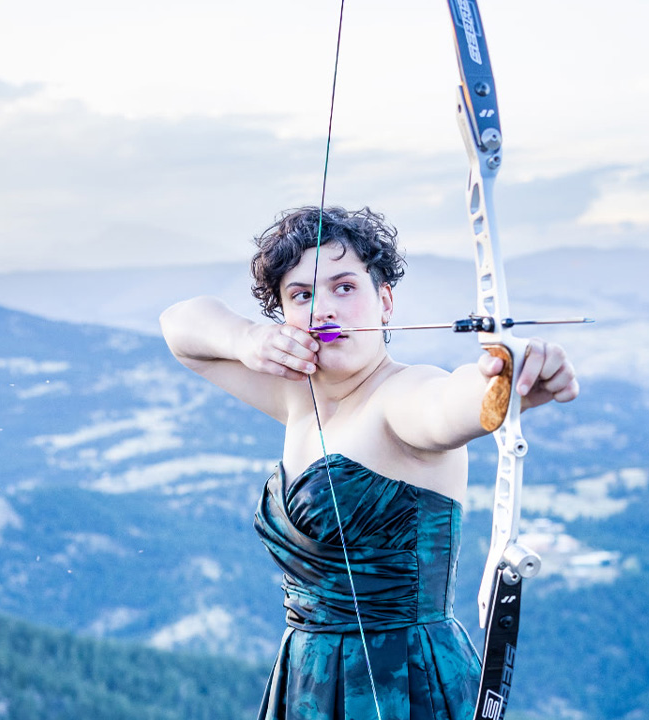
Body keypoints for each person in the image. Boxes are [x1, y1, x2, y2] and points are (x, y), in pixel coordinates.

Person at [159, 206, 578, 720]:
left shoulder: (401, 395)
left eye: (344, 288)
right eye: (301, 296)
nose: (323, 310)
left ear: (385, 302)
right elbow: (180, 329)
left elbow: (449, 404)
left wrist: (508, 381)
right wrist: (248, 340)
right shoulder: (296, 397)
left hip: (403, 682)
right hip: (307, 679)